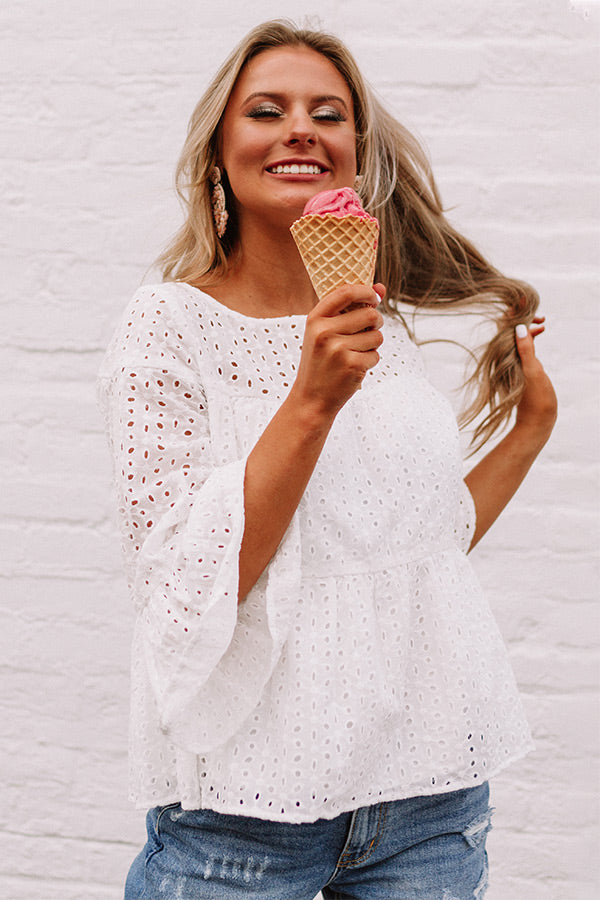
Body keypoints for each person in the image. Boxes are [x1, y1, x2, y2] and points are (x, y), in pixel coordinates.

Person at [97, 19, 557, 900]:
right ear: (217, 157)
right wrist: (309, 400)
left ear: (354, 154)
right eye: (267, 109)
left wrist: (529, 430)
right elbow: (187, 594)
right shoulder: (167, 326)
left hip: (427, 800)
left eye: (329, 113)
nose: (302, 127)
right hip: (243, 817)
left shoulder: (372, 322)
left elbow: (418, 549)